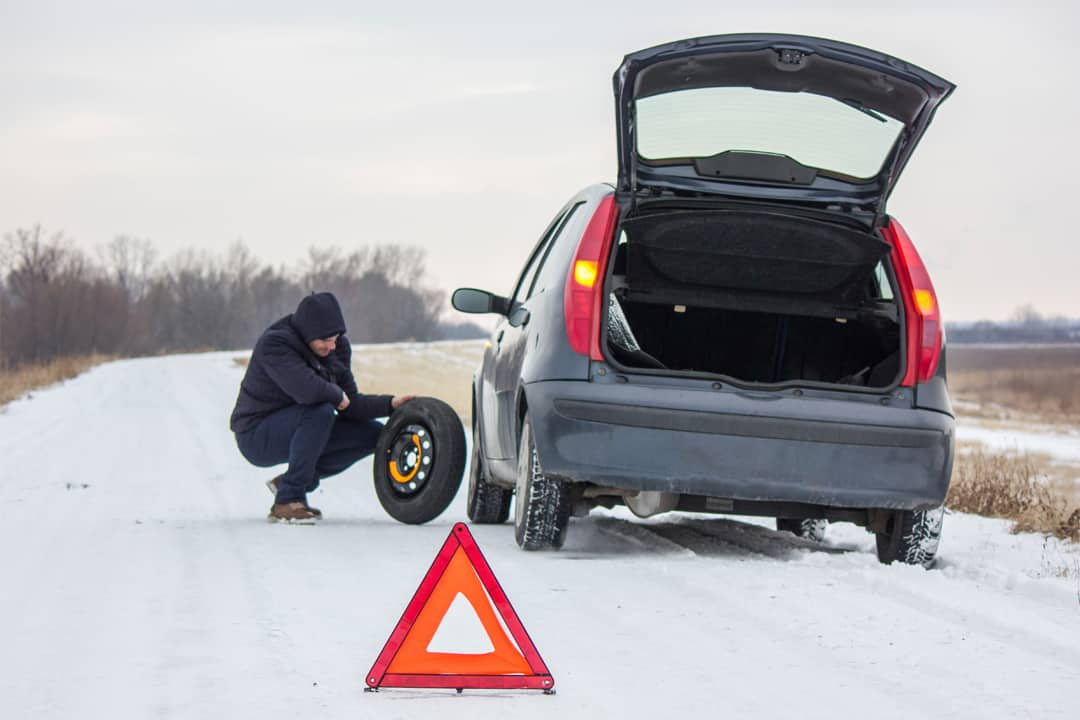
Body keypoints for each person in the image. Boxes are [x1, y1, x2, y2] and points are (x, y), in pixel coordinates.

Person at [230, 292, 415, 523]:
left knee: (373, 434)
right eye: (325, 340)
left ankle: (289, 484)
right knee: (319, 410)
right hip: (256, 435)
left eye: (336, 338)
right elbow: (306, 390)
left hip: (303, 424)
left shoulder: (336, 348)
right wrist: (337, 394)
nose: (332, 345)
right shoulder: (275, 344)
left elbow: (350, 404)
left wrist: (390, 404)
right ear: (307, 334)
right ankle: (287, 500)